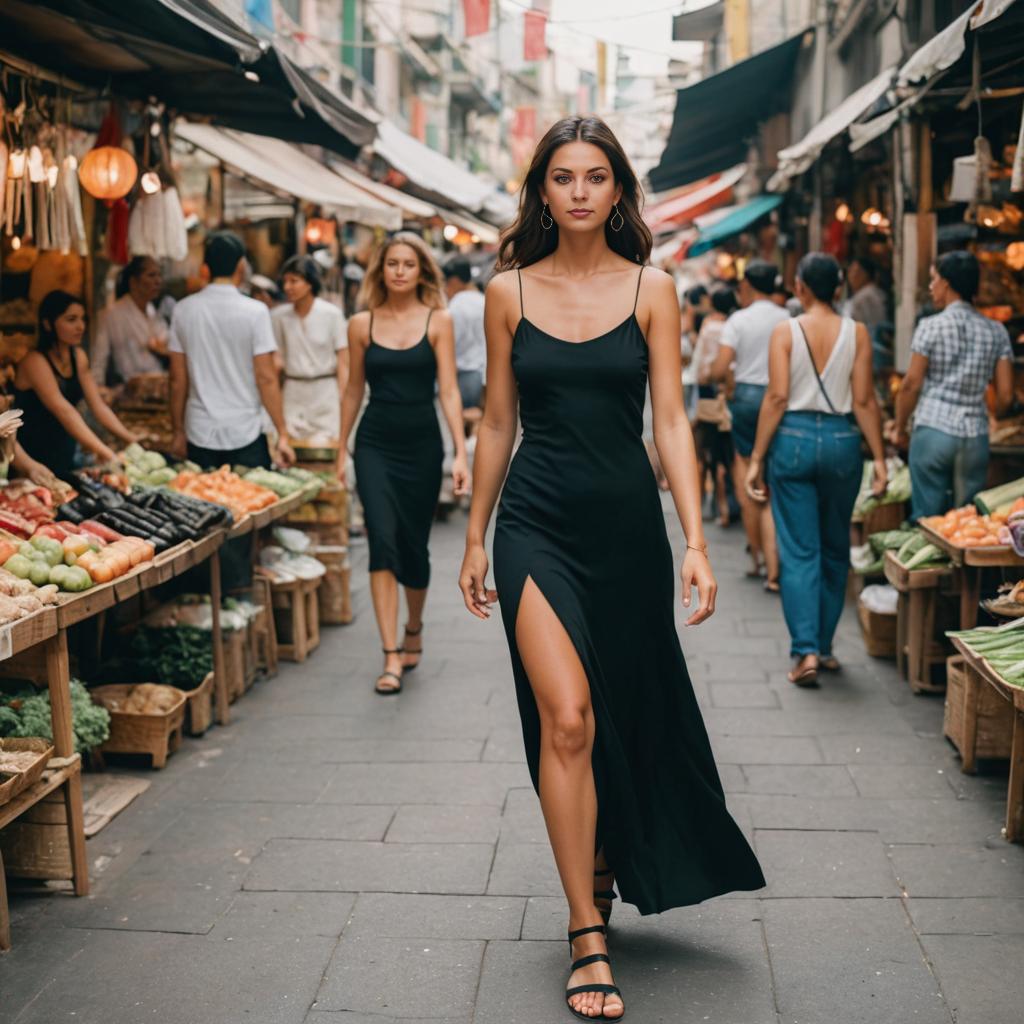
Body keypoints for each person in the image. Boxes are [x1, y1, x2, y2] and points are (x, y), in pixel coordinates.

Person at [458, 116, 764, 1023]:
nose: (581, 190)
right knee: (567, 717)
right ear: (542, 192)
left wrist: (698, 539)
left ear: (618, 190)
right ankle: (586, 929)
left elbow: (670, 421)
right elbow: (495, 424)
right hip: (534, 525)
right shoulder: (506, 291)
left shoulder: (655, 288)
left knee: (616, 713)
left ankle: (597, 854)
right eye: (564, 176)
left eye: (597, 176)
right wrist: (477, 535)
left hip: (628, 529)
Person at [745, 253, 887, 685]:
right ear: (839, 289)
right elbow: (863, 401)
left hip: (793, 442)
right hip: (844, 442)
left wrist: (756, 459)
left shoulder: (785, 332)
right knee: (834, 546)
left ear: (800, 287)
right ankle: (823, 648)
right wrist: (879, 458)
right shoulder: (857, 333)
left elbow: (777, 398)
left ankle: (804, 651)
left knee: (800, 551)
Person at [337, 233, 469, 695]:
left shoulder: (439, 321)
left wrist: (460, 452)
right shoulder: (360, 324)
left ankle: (414, 626)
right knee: (382, 541)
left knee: (414, 548)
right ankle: (390, 653)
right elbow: (353, 389)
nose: (398, 271)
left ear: (421, 271)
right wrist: (341, 447)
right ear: (381, 270)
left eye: (407, 264)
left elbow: (449, 390)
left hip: (422, 445)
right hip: (374, 442)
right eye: (391, 263)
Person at [891, 250, 1014, 518]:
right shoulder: (997, 331)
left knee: (928, 518)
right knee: (966, 521)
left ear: (946, 284)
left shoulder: (930, 327)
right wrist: (995, 414)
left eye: (934, 279)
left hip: (933, 430)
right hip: (975, 436)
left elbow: (911, 384)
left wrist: (900, 427)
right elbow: (1006, 395)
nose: (931, 286)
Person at [168, 231, 294, 470]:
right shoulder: (255, 312)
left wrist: (177, 431)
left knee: (202, 502)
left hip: (200, 430)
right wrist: (282, 433)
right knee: (249, 501)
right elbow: (266, 378)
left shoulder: (183, 310)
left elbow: (177, 379)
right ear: (241, 265)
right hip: (244, 429)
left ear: (206, 267)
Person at [709, 258, 788, 589]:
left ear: (747, 287)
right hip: (782, 397)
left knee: (748, 481)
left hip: (747, 399)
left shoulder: (739, 321)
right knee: (772, 481)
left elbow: (720, 368)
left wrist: (721, 375)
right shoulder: (789, 318)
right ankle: (776, 566)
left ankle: (759, 559)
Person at [13, 291, 139, 480]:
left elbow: (98, 406)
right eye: (71, 319)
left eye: (82, 319)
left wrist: (131, 440)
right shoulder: (34, 362)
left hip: (65, 449)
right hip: (32, 455)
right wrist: (104, 451)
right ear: (48, 324)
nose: (80, 326)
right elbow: (63, 409)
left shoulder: (78, 357)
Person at [271, 255, 348, 442]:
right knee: (290, 448)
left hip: (324, 392)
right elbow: (276, 361)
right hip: (293, 391)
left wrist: (344, 400)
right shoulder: (278, 316)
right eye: (285, 281)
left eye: (294, 281)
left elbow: (343, 362)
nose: (287, 287)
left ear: (310, 283)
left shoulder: (332, 315)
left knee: (328, 447)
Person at [693, 286, 739, 526]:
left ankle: (713, 505)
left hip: (709, 392)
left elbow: (701, 364)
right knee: (729, 454)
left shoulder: (710, 327)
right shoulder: (734, 325)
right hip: (731, 393)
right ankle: (728, 506)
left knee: (709, 453)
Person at [92, 256, 168, 386]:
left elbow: (166, 343)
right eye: (151, 275)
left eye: (159, 275)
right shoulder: (112, 314)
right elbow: (99, 361)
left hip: (160, 383)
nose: (158, 281)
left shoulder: (152, 310)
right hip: (131, 389)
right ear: (133, 282)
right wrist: (98, 390)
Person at [443, 256, 487, 410]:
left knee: (463, 425)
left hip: (464, 377)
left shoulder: (455, 306)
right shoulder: (485, 301)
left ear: (454, 281)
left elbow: (450, 345)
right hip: (485, 376)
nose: (445, 289)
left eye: (446, 284)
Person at [843, 256, 888, 332]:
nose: (851, 276)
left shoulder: (865, 296)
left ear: (865, 274)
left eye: (855, 272)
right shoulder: (873, 292)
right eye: (850, 272)